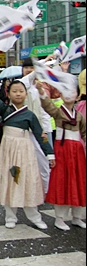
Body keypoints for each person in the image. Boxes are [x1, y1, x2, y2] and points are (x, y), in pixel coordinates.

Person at [0, 80, 54, 230]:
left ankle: (35, 216)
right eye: (14, 91)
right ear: (9, 94)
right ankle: (10, 216)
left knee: (27, 180)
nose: (18, 93)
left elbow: (40, 135)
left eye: (21, 91)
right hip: (9, 150)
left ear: (26, 94)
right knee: (11, 179)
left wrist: (50, 154)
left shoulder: (30, 115)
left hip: (24, 150)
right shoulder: (5, 110)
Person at [36, 81, 86, 231]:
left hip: (77, 152)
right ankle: (59, 218)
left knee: (78, 182)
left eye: (72, 92)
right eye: (65, 91)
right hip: (62, 150)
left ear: (77, 97)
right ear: (60, 95)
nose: (69, 95)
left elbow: (84, 133)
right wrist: (42, 92)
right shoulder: (58, 112)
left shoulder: (79, 116)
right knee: (62, 182)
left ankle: (77, 216)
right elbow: (47, 105)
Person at [19, 56, 63, 195]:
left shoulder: (43, 85)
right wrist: (46, 60)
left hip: (43, 129)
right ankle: (28, 191)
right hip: (25, 130)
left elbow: (51, 104)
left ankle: (46, 191)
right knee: (26, 162)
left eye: (31, 67)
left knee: (45, 161)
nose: (28, 70)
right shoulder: (20, 85)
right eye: (26, 67)